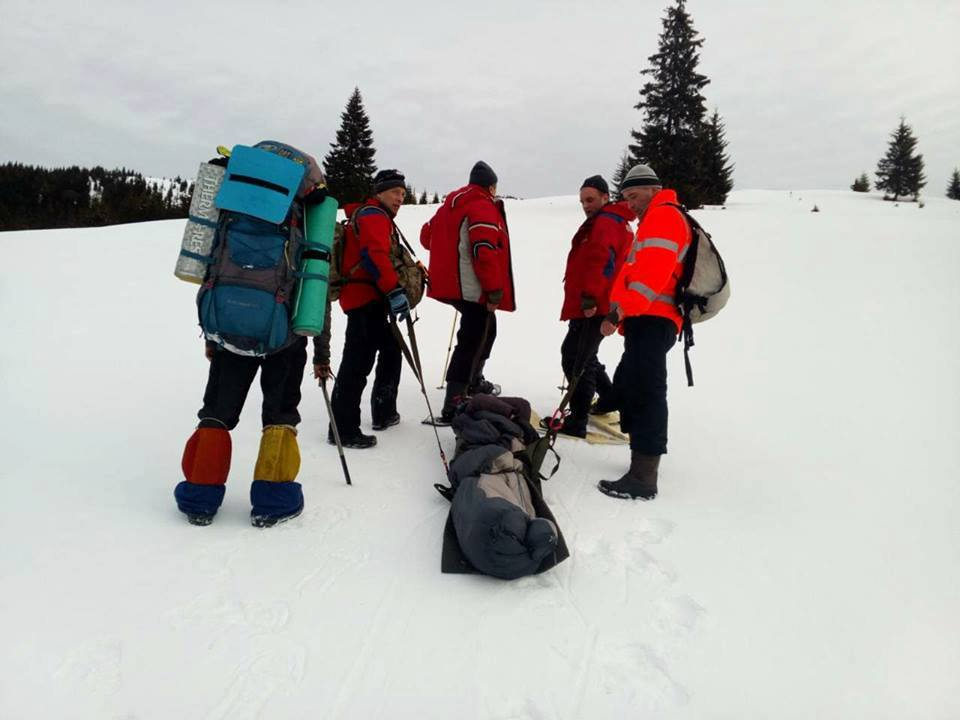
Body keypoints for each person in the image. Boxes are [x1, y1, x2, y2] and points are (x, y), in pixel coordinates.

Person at [174, 142, 328, 527]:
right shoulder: (307, 214)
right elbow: (317, 285)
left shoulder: (233, 204)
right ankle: (273, 501)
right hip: (285, 334)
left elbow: (212, 264)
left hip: (228, 327)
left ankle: (200, 496)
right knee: (280, 413)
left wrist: (212, 337)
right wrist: (321, 347)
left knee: (217, 411)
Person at [598, 164, 691, 500]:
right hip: (646, 318)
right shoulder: (656, 218)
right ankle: (641, 460)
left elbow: (651, 275)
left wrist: (619, 310)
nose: (631, 204)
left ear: (654, 190)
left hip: (654, 317)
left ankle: (643, 477)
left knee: (648, 391)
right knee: (632, 382)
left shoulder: (664, 216)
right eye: (626, 198)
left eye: (635, 196)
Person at [420, 161, 514, 422]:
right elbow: (484, 249)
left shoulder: (450, 204)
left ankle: (473, 382)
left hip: (452, 284)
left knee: (486, 330)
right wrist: (494, 290)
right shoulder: (482, 205)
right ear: (491, 187)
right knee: (472, 339)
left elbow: (426, 237)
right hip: (472, 286)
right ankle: (454, 402)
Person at [328, 169, 411, 449]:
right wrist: (394, 290)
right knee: (356, 363)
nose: (400, 198)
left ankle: (384, 411)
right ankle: (343, 429)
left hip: (368, 298)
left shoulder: (374, 215)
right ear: (379, 192)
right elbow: (374, 255)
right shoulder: (374, 215)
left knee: (391, 349)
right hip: (364, 298)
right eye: (395, 192)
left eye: (403, 193)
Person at [555, 175, 635, 437]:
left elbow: (601, 261)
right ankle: (611, 399)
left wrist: (589, 298)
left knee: (575, 357)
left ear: (605, 197)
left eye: (590, 200)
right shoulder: (613, 221)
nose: (586, 206)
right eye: (582, 201)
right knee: (586, 354)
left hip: (595, 303)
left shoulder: (606, 222)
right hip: (600, 301)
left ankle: (577, 420)